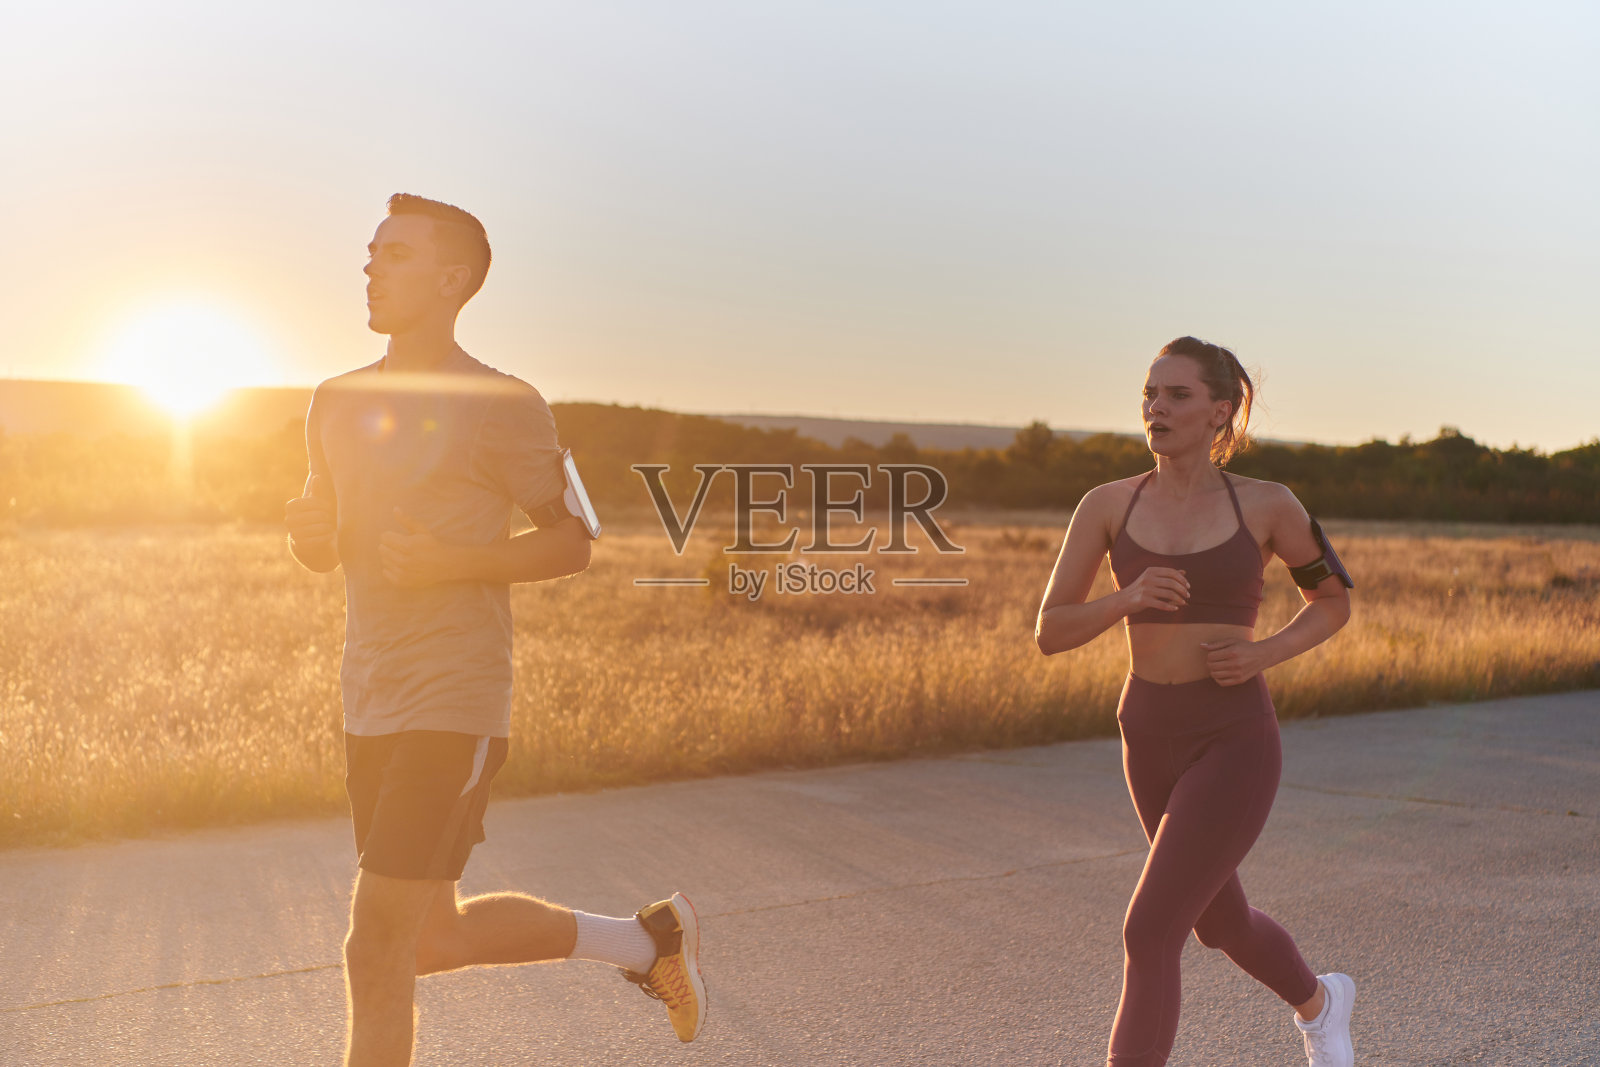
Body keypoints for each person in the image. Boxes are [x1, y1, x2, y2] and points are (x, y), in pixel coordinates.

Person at [284, 194, 706, 1067]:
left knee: (374, 947)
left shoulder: (505, 403)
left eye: (394, 254)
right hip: (369, 694)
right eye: (370, 252)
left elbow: (573, 540)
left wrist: (451, 561)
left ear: (452, 279)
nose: (371, 266)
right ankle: (646, 942)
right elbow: (324, 539)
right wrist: (309, 538)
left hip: (455, 696)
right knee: (428, 939)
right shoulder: (333, 400)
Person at [1034, 336, 1355, 1067]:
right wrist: (1127, 597)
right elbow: (1050, 630)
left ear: (1220, 412)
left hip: (1233, 736)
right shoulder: (1107, 505)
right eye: (1150, 393)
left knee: (1149, 931)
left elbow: (1332, 601)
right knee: (1221, 923)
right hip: (1146, 732)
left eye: (1176, 395)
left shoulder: (1271, 505)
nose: (1156, 407)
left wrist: (1263, 651)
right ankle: (1322, 1001)